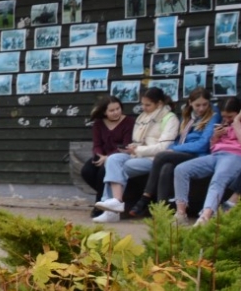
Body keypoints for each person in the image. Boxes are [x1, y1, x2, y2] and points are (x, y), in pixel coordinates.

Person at [93, 87, 179, 222]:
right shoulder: (142, 116)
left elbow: (164, 147)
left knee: (119, 168)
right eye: (142, 104)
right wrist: (132, 147)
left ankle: (112, 208)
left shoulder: (170, 119)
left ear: (160, 103)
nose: (144, 107)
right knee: (113, 160)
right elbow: (137, 140)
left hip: (154, 159)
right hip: (136, 155)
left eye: (148, 105)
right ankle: (115, 203)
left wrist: (138, 149)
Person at [134, 88, 218, 214]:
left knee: (161, 156)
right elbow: (179, 138)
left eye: (205, 104)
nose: (201, 108)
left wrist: (174, 149)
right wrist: (174, 148)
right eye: (197, 105)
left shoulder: (214, 114)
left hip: (198, 154)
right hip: (184, 152)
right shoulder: (188, 115)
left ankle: (145, 197)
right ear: (190, 103)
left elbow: (203, 144)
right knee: (166, 167)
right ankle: (162, 209)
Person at [175, 99, 241, 224]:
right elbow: (213, 147)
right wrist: (215, 137)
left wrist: (237, 122)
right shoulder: (224, 122)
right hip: (217, 154)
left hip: (237, 156)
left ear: (239, 112)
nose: (226, 119)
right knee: (181, 169)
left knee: (218, 178)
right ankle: (181, 213)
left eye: (230, 116)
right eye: (224, 116)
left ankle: (205, 216)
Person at [81, 95, 132, 202]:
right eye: (111, 110)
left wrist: (108, 157)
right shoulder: (99, 123)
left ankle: (100, 202)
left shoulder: (129, 122)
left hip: (120, 156)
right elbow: (97, 144)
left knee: (103, 172)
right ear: (104, 112)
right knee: (87, 171)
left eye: (118, 109)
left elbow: (126, 145)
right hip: (102, 156)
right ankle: (109, 196)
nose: (116, 112)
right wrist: (100, 155)